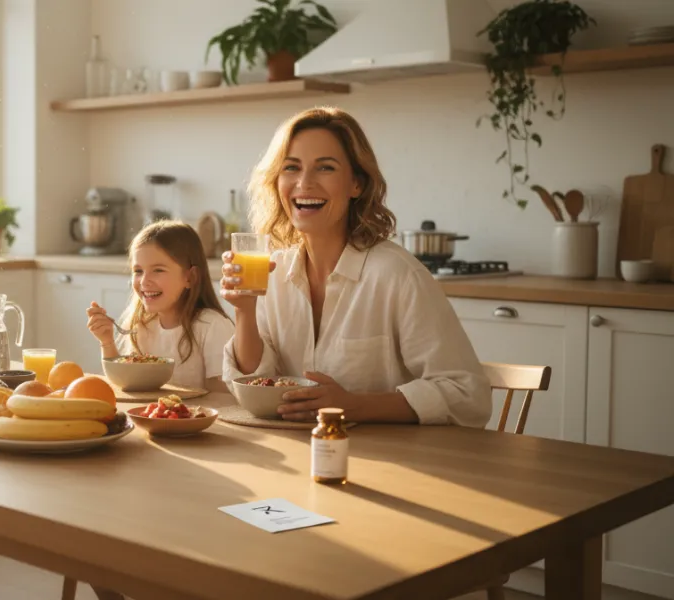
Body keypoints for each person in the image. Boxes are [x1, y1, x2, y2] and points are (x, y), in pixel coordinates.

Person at [220, 106, 491, 427]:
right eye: (291, 168)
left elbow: (468, 395)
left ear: (357, 185)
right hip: (300, 455)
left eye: (326, 168)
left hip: (394, 462)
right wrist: (244, 311)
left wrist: (356, 406)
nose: (304, 183)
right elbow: (257, 387)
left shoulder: (397, 275)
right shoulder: (272, 272)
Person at [87, 220, 235, 393]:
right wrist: (107, 342)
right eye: (138, 271)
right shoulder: (141, 324)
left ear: (190, 277)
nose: (144, 281)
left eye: (158, 270)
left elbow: (222, 401)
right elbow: (126, 383)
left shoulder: (212, 326)